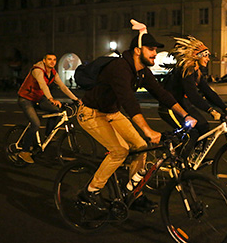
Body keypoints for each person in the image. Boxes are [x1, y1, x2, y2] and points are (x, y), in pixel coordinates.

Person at [76, 20, 197, 212]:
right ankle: (90, 192)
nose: (155, 53)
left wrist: (186, 115)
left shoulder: (142, 72)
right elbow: (129, 101)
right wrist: (148, 130)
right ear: (137, 50)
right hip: (91, 113)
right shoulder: (119, 68)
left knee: (141, 146)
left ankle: (133, 194)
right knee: (119, 151)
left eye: (155, 50)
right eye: (151, 49)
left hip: (111, 112)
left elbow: (161, 93)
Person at [158, 36, 227, 158]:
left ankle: (193, 157)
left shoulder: (197, 71)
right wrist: (211, 111)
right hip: (170, 107)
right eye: (206, 56)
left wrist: (225, 107)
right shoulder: (187, 70)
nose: (208, 59)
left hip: (182, 103)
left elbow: (207, 91)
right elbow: (193, 95)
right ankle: (180, 162)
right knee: (191, 134)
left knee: (204, 126)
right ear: (197, 56)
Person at [17, 53, 81, 164]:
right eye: (49, 59)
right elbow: (43, 85)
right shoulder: (38, 70)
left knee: (56, 111)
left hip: (38, 97)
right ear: (44, 61)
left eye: (54, 60)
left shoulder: (53, 73)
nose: (52, 61)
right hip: (26, 98)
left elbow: (63, 87)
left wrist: (76, 100)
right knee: (36, 124)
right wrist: (51, 99)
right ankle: (24, 152)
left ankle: (48, 135)